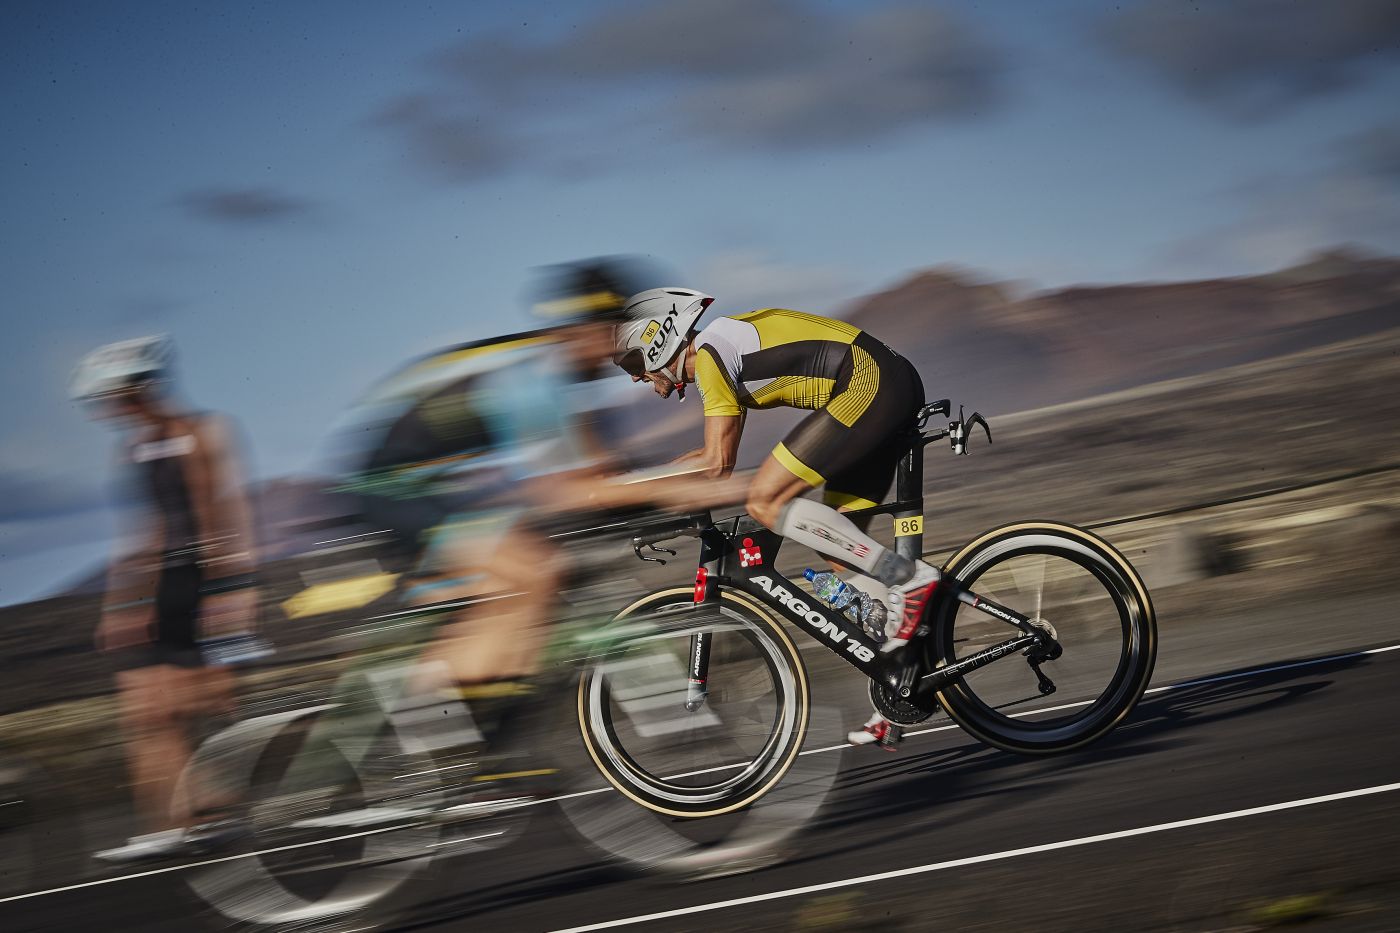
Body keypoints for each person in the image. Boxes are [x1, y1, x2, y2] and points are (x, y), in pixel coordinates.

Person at [613, 290, 940, 750]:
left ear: (656, 339)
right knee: (840, 553)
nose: (634, 379)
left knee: (765, 501)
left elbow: (714, 467)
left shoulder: (709, 355)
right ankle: (898, 693)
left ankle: (909, 579)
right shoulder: (720, 355)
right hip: (881, 382)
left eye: (632, 365)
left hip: (869, 384)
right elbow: (709, 459)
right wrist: (654, 492)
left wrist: (631, 493)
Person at [70, 336, 260, 860]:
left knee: (191, 703)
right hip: (155, 586)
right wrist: (120, 603)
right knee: (145, 713)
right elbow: (144, 528)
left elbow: (233, 513)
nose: (111, 411)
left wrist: (233, 596)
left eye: (117, 398)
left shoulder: (206, 430)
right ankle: (172, 822)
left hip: (200, 579)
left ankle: (215, 811)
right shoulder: (131, 448)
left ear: (143, 389)